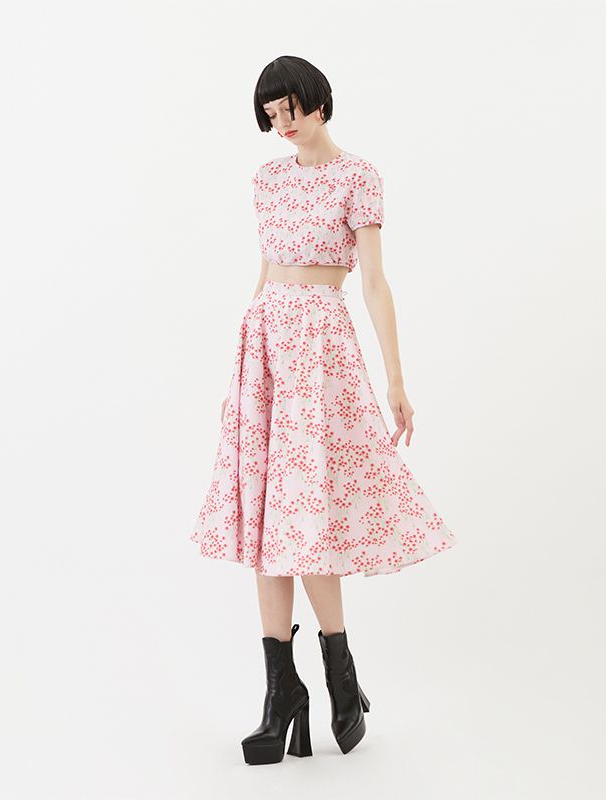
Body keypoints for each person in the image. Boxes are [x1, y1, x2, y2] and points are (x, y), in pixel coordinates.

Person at [190, 55, 457, 765]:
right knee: (264, 518)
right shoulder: (266, 180)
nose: (280, 123)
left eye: (288, 109)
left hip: (320, 347)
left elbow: (374, 284)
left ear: (317, 103)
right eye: (270, 114)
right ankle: (282, 692)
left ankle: (339, 672)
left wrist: (396, 378)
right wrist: (240, 378)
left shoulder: (358, 176)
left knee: (303, 517)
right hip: (265, 345)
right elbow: (266, 271)